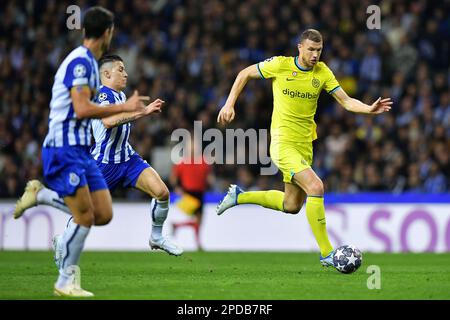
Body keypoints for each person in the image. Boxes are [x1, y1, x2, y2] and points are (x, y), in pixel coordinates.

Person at [216, 29, 392, 266]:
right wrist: (229, 104)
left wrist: (368, 109)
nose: (315, 54)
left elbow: (346, 101)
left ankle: (239, 196)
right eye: (310, 49)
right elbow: (244, 73)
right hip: (282, 143)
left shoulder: (323, 72)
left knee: (292, 205)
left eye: (319, 50)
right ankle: (327, 253)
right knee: (316, 186)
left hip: (305, 145)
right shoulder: (280, 65)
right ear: (299, 47)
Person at [13, 6, 151, 297]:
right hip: (64, 147)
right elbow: (82, 108)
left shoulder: (90, 62)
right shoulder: (80, 62)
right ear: (106, 32)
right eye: (112, 31)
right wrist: (125, 107)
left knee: (103, 213)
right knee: (85, 216)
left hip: (82, 150)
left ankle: (42, 195)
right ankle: (65, 282)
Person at [15, 54, 183, 256]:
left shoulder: (120, 95)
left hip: (128, 159)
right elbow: (108, 122)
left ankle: (156, 237)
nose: (126, 74)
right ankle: (62, 235)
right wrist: (143, 112)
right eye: (120, 69)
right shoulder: (102, 96)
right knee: (87, 210)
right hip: (104, 164)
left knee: (162, 192)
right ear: (106, 73)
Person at [170, 137, 212, 250]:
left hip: (199, 193)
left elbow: (208, 178)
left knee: (199, 220)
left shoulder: (202, 161)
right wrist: (177, 188)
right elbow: (174, 178)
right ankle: (197, 243)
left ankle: (178, 226)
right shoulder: (183, 163)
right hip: (189, 193)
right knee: (198, 220)